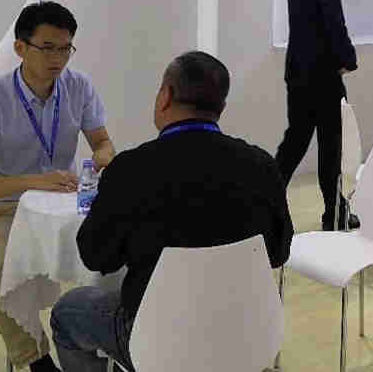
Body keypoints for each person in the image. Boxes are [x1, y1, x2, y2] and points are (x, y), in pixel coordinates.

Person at [50, 51, 294, 372]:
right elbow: (278, 253)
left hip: (158, 341)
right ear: (221, 107)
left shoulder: (130, 170)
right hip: (245, 332)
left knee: (67, 313)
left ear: (165, 96)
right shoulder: (262, 166)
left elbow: (97, 258)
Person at [0, 1, 116, 372]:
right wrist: (35, 182)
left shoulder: (79, 87)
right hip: (10, 208)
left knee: (120, 254)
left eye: (65, 48)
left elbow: (103, 142)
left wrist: (101, 158)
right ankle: (36, 360)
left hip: (72, 202)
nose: (58, 58)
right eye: (47, 48)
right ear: (20, 48)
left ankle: (110, 351)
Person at [276, 0, 360, 231]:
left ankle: (264, 200)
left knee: (294, 142)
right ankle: (334, 214)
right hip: (324, 79)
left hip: (298, 74)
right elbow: (334, 28)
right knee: (331, 148)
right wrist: (348, 59)